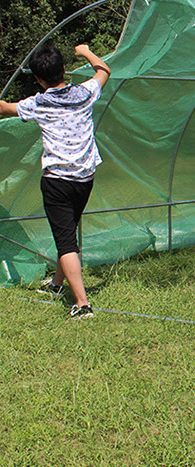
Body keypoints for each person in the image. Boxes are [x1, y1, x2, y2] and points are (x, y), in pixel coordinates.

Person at [0, 43, 111, 318]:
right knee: (68, 233)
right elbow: (104, 70)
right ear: (64, 69)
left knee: (65, 242)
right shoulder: (85, 93)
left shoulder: (37, 102)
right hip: (85, 177)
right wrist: (85, 52)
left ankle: (83, 304)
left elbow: (4, 108)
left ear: (38, 79)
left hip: (58, 181)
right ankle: (57, 284)